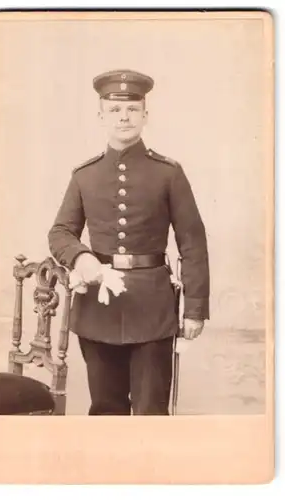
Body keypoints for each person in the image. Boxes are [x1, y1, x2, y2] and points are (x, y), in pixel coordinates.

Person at [48, 69, 210, 416]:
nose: (124, 117)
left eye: (133, 109)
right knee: (106, 408)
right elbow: (60, 232)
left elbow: (192, 242)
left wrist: (194, 309)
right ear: (101, 116)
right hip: (98, 308)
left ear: (145, 116)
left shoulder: (168, 173)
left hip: (153, 307)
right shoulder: (84, 175)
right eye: (115, 110)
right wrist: (82, 259)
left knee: (151, 409)